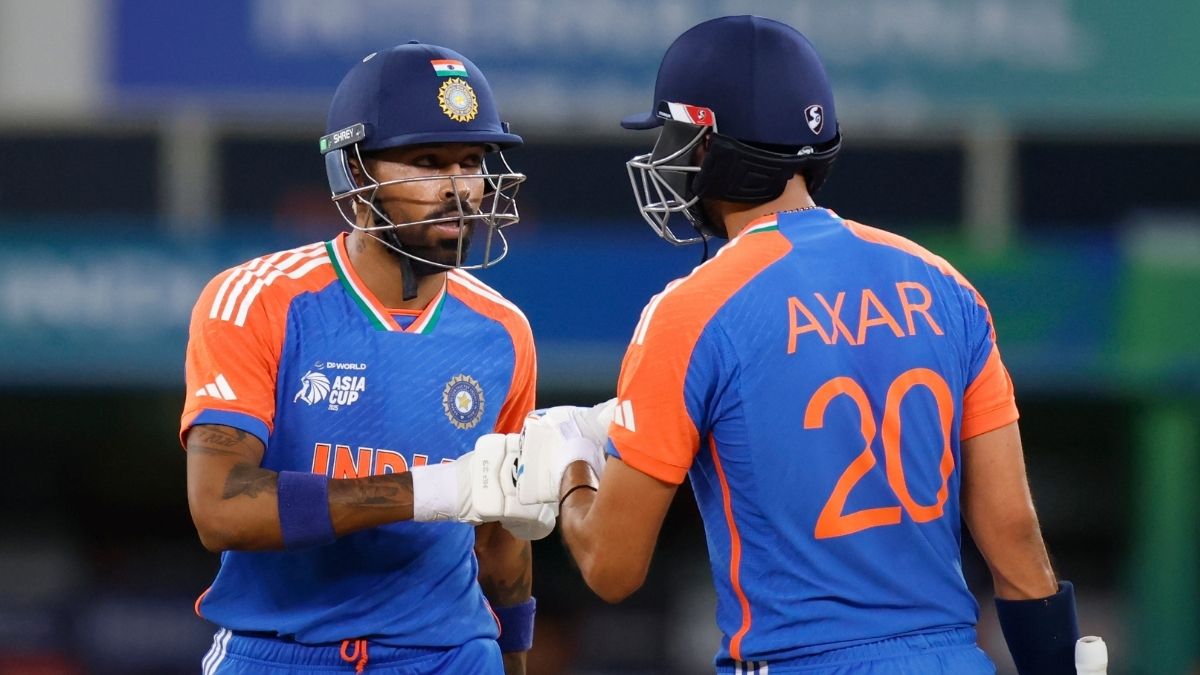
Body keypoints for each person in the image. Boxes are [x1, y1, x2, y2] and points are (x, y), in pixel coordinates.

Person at [512, 15, 1080, 675]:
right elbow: (1014, 537)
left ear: (710, 146)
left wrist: (572, 467)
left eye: (679, 137)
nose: (672, 156)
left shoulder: (690, 310)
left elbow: (612, 567)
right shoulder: (945, 285)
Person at [180, 41, 552, 675]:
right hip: (283, 654)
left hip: (451, 656)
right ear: (354, 172)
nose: (458, 189)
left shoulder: (504, 329)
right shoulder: (256, 300)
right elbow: (220, 507)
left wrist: (515, 658)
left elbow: (500, 534)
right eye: (428, 162)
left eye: (470, 162)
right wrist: (433, 489)